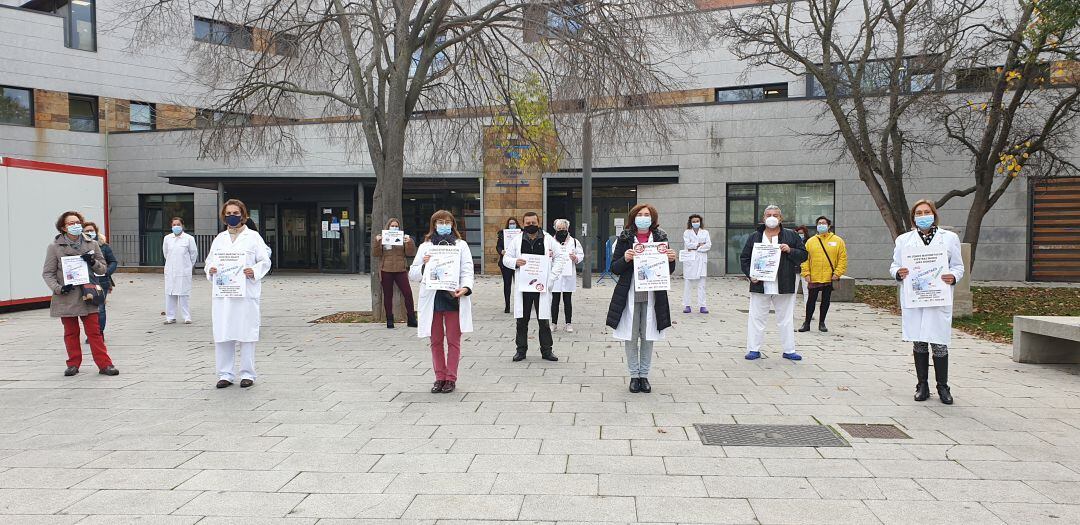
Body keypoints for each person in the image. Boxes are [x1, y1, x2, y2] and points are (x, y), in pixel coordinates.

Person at [890, 199, 964, 405]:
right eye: (919, 213)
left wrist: (953, 277)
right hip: (916, 298)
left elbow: (958, 266)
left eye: (926, 212)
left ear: (934, 214)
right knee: (919, 341)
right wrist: (898, 272)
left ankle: (943, 386)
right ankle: (922, 385)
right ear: (914, 218)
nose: (923, 216)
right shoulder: (904, 240)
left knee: (939, 342)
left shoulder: (949, 238)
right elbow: (894, 265)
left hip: (938, 297)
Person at [607, 203, 677, 393]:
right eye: (640, 214)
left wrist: (671, 260)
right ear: (634, 217)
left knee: (648, 337)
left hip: (653, 294)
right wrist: (626, 259)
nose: (644, 217)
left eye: (647, 214)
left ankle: (644, 375)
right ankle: (633, 375)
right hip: (629, 293)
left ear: (652, 218)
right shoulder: (624, 238)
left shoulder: (661, 238)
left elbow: (668, 271)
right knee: (631, 336)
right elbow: (614, 268)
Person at [42, 211, 119, 377]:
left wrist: (92, 261)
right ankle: (73, 364)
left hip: (89, 294)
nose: (75, 225)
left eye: (77, 222)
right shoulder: (54, 247)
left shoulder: (92, 244)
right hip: (67, 296)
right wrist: (58, 288)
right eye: (71, 223)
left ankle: (105, 364)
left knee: (94, 332)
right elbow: (48, 273)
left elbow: (103, 268)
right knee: (70, 332)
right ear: (63, 227)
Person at [205, 199, 272, 389]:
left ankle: (247, 373)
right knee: (223, 333)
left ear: (243, 215)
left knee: (246, 334)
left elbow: (265, 261)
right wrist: (211, 270)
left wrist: (254, 271)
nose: (231, 217)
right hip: (224, 295)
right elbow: (210, 261)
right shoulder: (219, 239)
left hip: (245, 294)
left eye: (235, 213)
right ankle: (225, 374)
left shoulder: (253, 238)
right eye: (228, 213)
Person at [410, 210, 474, 394]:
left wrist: (466, 288)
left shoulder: (461, 246)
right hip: (433, 298)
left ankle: (451, 378)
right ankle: (440, 377)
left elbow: (467, 270)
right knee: (436, 341)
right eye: (439, 221)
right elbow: (413, 274)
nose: (443, 224)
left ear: (453, 224)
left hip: (453, 298)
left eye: (447, 221)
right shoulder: (425, 247)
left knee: (454, 341)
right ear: (434, 224)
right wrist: (424, 264)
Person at [740, 205, 808, 361]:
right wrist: (751, 275)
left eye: (775, 215)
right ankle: (753, 349)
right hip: (760, 284)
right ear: (763, 218)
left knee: (786, 318)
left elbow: (804, 255)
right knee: (756, 317)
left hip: (784, 283)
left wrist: (790, 250)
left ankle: (789, 350)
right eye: (769, 215)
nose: (772, 217)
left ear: (780, 218)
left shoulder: (791, 236)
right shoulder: (755, 237)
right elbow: (745, 258)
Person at [503, 211, 558, 362]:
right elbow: (506, 258)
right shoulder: (517, 240)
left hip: (541, 287)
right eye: (527, 223)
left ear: (538, 223)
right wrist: (515, 262)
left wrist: (551, 278)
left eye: (533, 223)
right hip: (524, 287)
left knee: (544, 320)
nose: (531, 225)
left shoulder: (548, 239)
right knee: (522, 320)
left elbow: (561, 257)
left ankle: (547, 351)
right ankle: (521, 350)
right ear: (523, 224)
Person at [799, 216, 848, 333]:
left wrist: (838, 273)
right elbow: (804, 258)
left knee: (826, 300)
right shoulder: (811, 241)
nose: (821, 225)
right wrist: (806, 273)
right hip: (814, 276)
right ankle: (807, 322)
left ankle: (822, 322)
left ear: (829, 226)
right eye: (819, 223)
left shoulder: (838, 241)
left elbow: (843, 259)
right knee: (811, 300)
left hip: (829, 276)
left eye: (824, 223)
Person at [373, 217, 418, 329]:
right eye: (392, 226)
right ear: (388, 227)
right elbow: (376, 254)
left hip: (400, 270)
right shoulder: (383, 237)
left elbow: (410, 253)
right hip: (386, 270)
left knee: (408, 293)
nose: (394, 227)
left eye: (396, 226)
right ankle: (389, 319)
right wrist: (377, 242)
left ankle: (411, 318)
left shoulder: (402, 238)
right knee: (388, 295)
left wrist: (409, 242)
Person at [82, 221, 117, 336]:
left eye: (91, 230)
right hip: (86, 281)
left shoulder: (104, 246)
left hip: (102, 281)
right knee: (88, 309)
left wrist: (107, 271)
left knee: (100, 308)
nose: (89, 232)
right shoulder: (80, 246)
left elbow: (113, 261)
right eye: (87, 230)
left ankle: (99, 333)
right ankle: (91, 333)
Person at [550, 218, 584, 333]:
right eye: (559, 229)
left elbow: (581, 254)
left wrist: (576, 258)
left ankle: (568, 323)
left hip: (568, 275)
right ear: (555, 229)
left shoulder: (574, 241)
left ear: (567, 228)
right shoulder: (550, 241)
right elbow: (545, 255)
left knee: (567, 300)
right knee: (555, 300)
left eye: (563, 228)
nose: (561, 230)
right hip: (556, 275)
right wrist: (549, 255)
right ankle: (553, 323)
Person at [163, 217, 198, 324]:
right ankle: (170, 317)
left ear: (182, 225)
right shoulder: (167, 238)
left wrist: (188, 266)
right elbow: (165, 253)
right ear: (171, 226)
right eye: (174, 225)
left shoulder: (189, 238)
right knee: (170, 294)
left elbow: (193, 254)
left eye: (178, 224)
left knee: (184, 294)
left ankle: (186, 316)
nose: (176, 226)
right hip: (170, 271)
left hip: (183, 271)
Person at [681, 214, 712, 314]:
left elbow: (708, 245)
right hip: (690, 260)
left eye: (697, 221)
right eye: (693, 221)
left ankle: (702, 306)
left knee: (702, 285)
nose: (695, 223)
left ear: (700, 222)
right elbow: (687, 244)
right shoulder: (687, 232)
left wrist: (695, 247)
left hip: (701, 261)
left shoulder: (705, 232)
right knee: (688, 284)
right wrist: (699, 244)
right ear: (690, 222)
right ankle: (687, 305)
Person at [495, 217, 519, 314]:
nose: (512, 225)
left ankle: (519, 304)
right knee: (507, 284)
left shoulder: (521, 233)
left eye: (513, 223)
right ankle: (507, 305)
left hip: (517, 262)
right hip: (506, 262)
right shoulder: (502, 234)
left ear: (516, 224)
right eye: (510, 224)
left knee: (518, 284)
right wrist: (501, 251)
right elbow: (498, 246)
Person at [793, 225, 810, 304]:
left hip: (805, 270)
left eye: (802, 233)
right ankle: (790, 314)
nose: (800, 235)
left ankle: (808, 312)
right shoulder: (793, 242)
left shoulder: (809, 242)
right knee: (793, 291)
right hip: (795, 269)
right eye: (798, 233)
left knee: (806, 291)